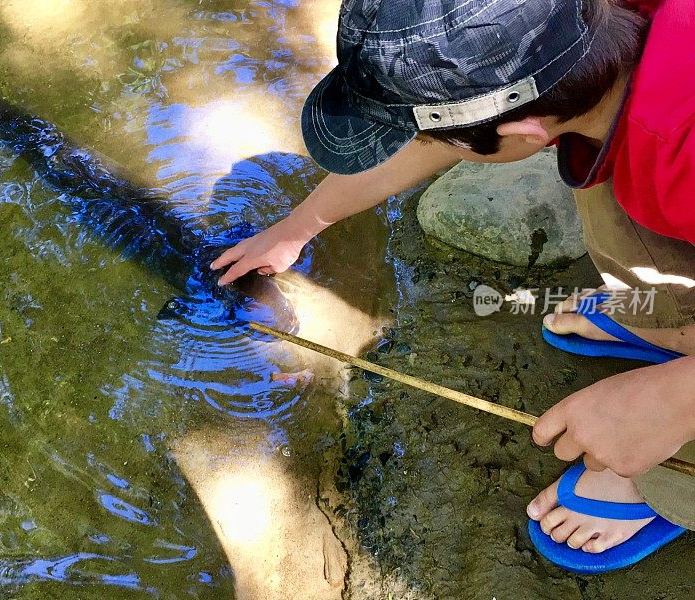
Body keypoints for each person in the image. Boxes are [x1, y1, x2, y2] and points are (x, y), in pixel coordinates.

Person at [211, 0, 695, 573]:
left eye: (453, 141)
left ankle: (674, 480)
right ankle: (675, 323)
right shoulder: (589, 35)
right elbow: (439, 137)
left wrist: (670, 401)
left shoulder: (680, 155)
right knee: (606, 180)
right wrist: (300, 226)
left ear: (522, 132)